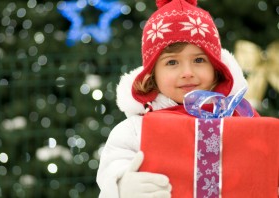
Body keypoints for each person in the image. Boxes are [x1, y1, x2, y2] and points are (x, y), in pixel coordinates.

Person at [97, 0, 260, 197]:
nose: (187, 72)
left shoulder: (242, 118)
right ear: (152, 73)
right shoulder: (135, 130)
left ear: (216, 67)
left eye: (199, 60)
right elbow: (112, 169)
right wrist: (121, 187)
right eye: (172, 62)